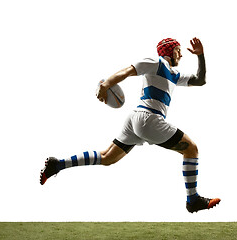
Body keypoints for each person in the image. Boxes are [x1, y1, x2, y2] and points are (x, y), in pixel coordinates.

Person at [40, 37, 220, 213]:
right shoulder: (156, 63)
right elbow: (128, 71)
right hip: (149, 119)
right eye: (178, 51)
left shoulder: (174, 75)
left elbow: (200, 80)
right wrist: (106, 85)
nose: (181, 55)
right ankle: (193, 200)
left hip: (136, 119)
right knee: (191, 149)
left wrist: (201, 55)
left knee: (107, 157)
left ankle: (58, 164)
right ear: (168, 51)